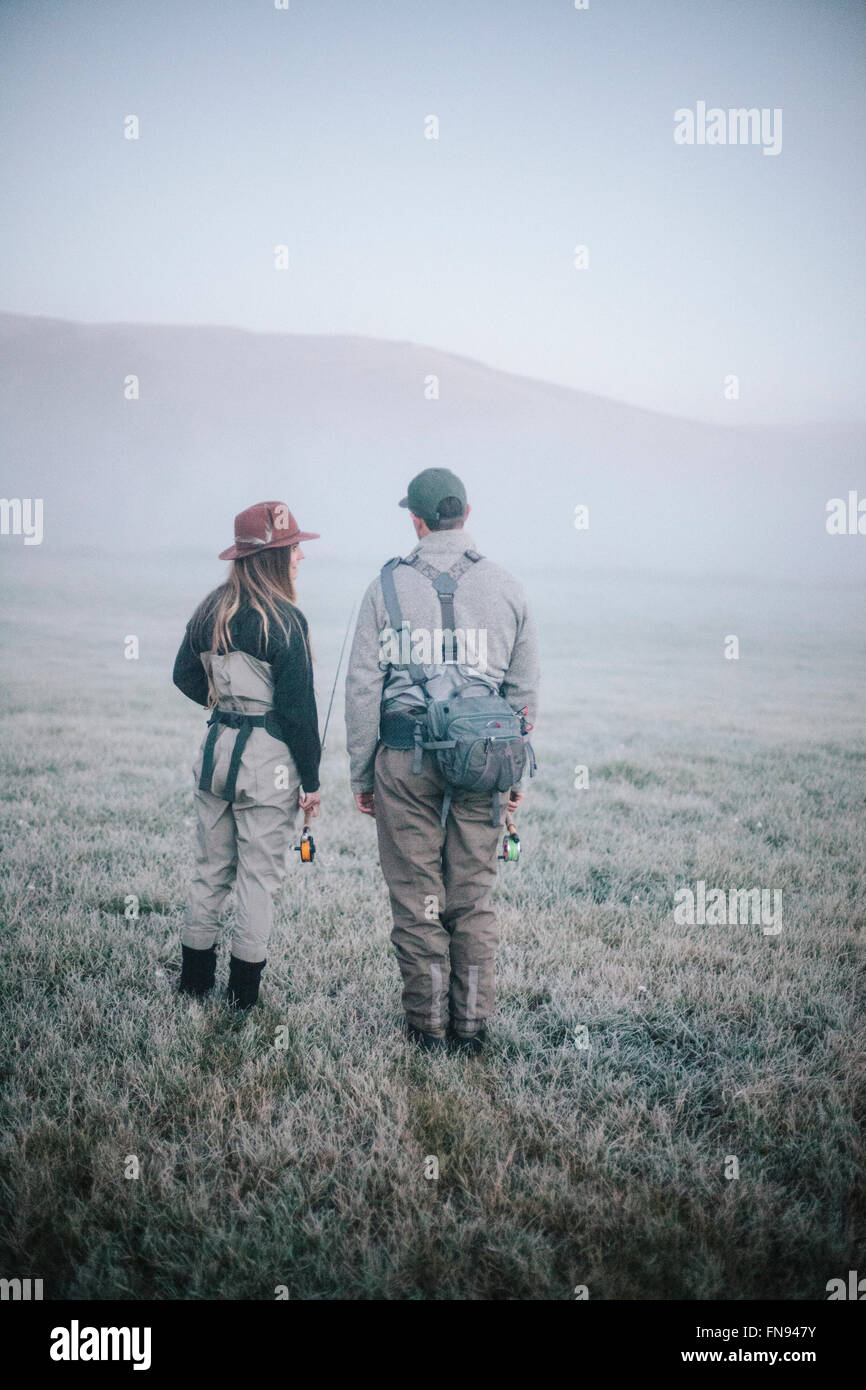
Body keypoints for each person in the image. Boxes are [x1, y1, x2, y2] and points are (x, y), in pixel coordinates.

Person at [345, 468, 540, 1053]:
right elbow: (523, 695)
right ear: (467, 513)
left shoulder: (385, 587)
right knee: (473, 897)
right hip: (485, 761)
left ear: (417, 519)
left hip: (403, 759)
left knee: (417, 897)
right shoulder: (508, 586)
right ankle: (471, 1028)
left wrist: (361, 774)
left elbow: (361, 687)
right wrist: (512, 778)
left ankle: (427, 1029)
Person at [172, 500, 321, 1010]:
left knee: (210, 870)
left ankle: (192, 986)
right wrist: (313, 781)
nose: (301, 555)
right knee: (258, 876)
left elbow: (184, 676)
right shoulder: (287, 620)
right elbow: (300, 712)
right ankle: (242, 998)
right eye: (294, 547)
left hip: (215, 753)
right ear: (275, 557)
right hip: (268, 764)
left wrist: (226, 706)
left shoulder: (209, 609)